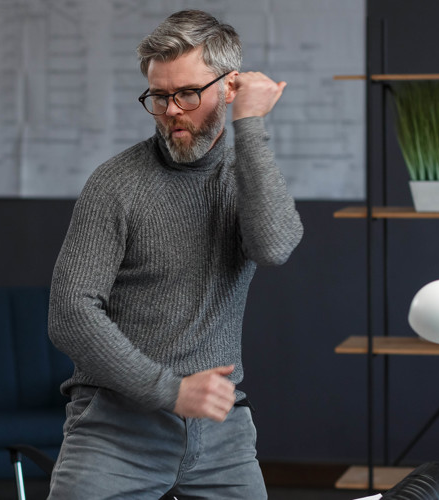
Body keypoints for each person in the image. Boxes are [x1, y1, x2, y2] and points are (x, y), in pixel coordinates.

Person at [46, 9, 304, 499]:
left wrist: (249, 126)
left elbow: (273, 247)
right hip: (116, 429)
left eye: (187, 93)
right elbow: (69, 313)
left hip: (221, 431)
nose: (171, 111)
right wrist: (170, 391)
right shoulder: (115, 184)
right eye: (159, 97)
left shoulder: (245, 176)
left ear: (229, 89)